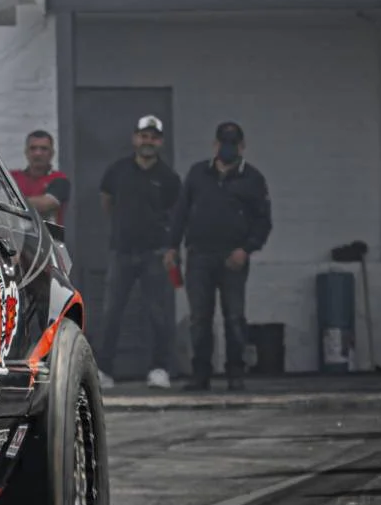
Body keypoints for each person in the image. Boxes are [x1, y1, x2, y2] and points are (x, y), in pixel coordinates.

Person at [167, 121, 272, 390]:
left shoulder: (253, 179)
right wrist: (171, 247)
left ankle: (235, 374)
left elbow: (263, 222)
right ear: (214, 145)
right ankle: (200, 375)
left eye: (233, 143)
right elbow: (180, 214)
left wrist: (246, 249)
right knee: (200, 318)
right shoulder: (197, 173)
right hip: (199, 256)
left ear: (242, 146)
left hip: (233, 259)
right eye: (223, 143)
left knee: (234, 317)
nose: (227, 148)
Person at [95, 115, 181, 390]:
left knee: (159, 314)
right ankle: (104, 370)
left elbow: (174, 216)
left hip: (155, 255)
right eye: (144, 136)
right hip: (121, 253)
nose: (148, 141)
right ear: (135, 138)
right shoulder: (117, 171)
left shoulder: (168, 178)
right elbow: (107, 202)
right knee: (112, 313)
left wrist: (169, 248)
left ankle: (159, 369)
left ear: (161, 142)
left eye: (154, 137)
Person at [14, 129, 70, 222]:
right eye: (33, 148)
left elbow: (46, 204)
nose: (38, 153)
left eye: (44, 149)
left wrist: (11, 202)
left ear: (52, 153)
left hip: (49, 235)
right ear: (26, 152)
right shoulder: (13, 177)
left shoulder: (60, 179)